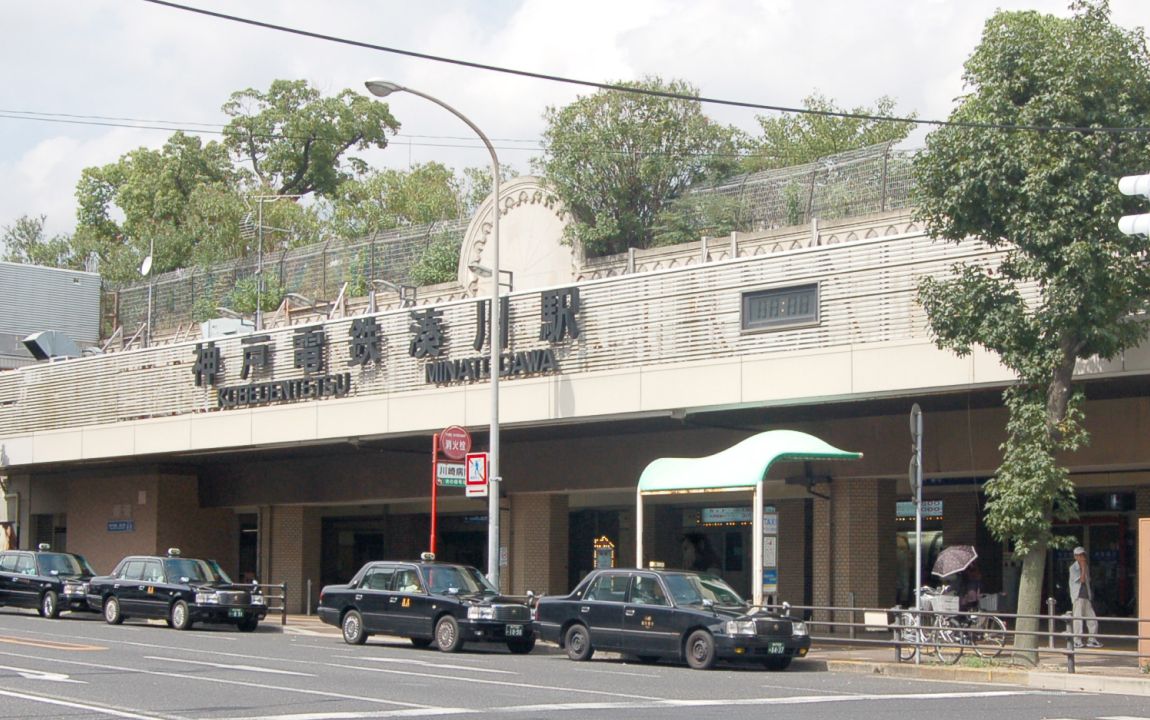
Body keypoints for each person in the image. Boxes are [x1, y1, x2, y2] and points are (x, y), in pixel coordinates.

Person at [1068, 546, 1102, 648]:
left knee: (1092, 618)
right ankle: (1077, 640)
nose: (1082, 557)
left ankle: (1092, 639)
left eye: (1083, 554)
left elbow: (1088, 581)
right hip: (1077, 596)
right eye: (1079, 555)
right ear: (1075, 556)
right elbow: (1082, 580)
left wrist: (1084, 567)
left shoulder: (1085, 566)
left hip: (1086, 596)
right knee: (1078, 618)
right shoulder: (1073, 568)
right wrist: (1082, 567)